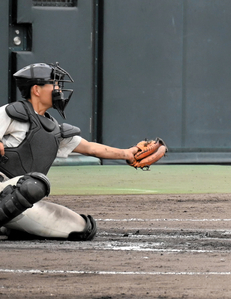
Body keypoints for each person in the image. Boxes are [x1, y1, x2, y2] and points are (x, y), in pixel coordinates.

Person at [0, 62, 166, 240]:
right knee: (33, 185)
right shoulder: (12, 113)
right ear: (36, 90)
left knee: (83, 228)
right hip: (5, 187)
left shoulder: (54, 130)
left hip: (18, 201)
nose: (59, 89)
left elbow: (90, 148)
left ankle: (7, 226)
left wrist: (127, 153)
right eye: (54, 83)